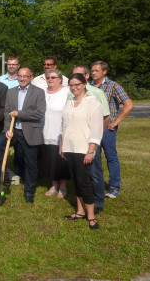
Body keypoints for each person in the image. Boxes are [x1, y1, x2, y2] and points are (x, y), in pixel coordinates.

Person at [0, 67, 46, 204]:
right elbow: (7, 112)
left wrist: (20, 113)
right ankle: (4, 178)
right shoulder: (11, 92)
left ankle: (29, 192)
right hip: (14, 131)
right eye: (20, 76)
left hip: (30, 132)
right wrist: (7, 130)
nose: (22, 78)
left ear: (31, 77)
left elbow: (40, 112)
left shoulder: (38, 92)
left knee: (31, 163)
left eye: (25, 76)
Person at [60, 73, 103, 230]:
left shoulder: (93, 104)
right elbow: (64, 125)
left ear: (85, 84)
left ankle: (91, 216)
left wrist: (91, 151)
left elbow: (97, 131)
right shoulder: (69, 102)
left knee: (84, 182)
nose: (74, 87)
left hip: (83, 149)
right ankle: (79, 211)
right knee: (76, 180)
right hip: (69, 148)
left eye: (77, 84)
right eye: (71, 85)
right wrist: (62, 145)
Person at [90, 61, 134, 199]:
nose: (93, 73)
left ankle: (114, 187)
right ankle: (95, 184)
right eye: (92, 70)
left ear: (104, 72)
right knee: (93, 157)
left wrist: (115, 122)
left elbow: (129, 104)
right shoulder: (89, 86)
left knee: (111, 157)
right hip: (92, 127)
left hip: (107, 129)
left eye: (96, 70)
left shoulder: (113, 86)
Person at [71, 64, 110, 214]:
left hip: (91, 141)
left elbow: (105, 117)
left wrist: (96, 137)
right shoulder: (71, 94)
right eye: (73, 75)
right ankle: (81, 201)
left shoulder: (97, 94)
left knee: (94, 172)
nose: (75, 80)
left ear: (86, 77)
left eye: (79, 76)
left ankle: (98, 201)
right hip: (76, 141)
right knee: (79, 173)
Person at [42, 69, 71, 199]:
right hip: (44, 132)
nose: (50, 79)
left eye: (53, 77)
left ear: (60, 79)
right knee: (50, 160)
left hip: (60, 132)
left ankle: (63, 186)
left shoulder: (66, 92)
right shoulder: (42, 92)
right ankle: (54, 185)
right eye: (48, 78)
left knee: (61, 160)